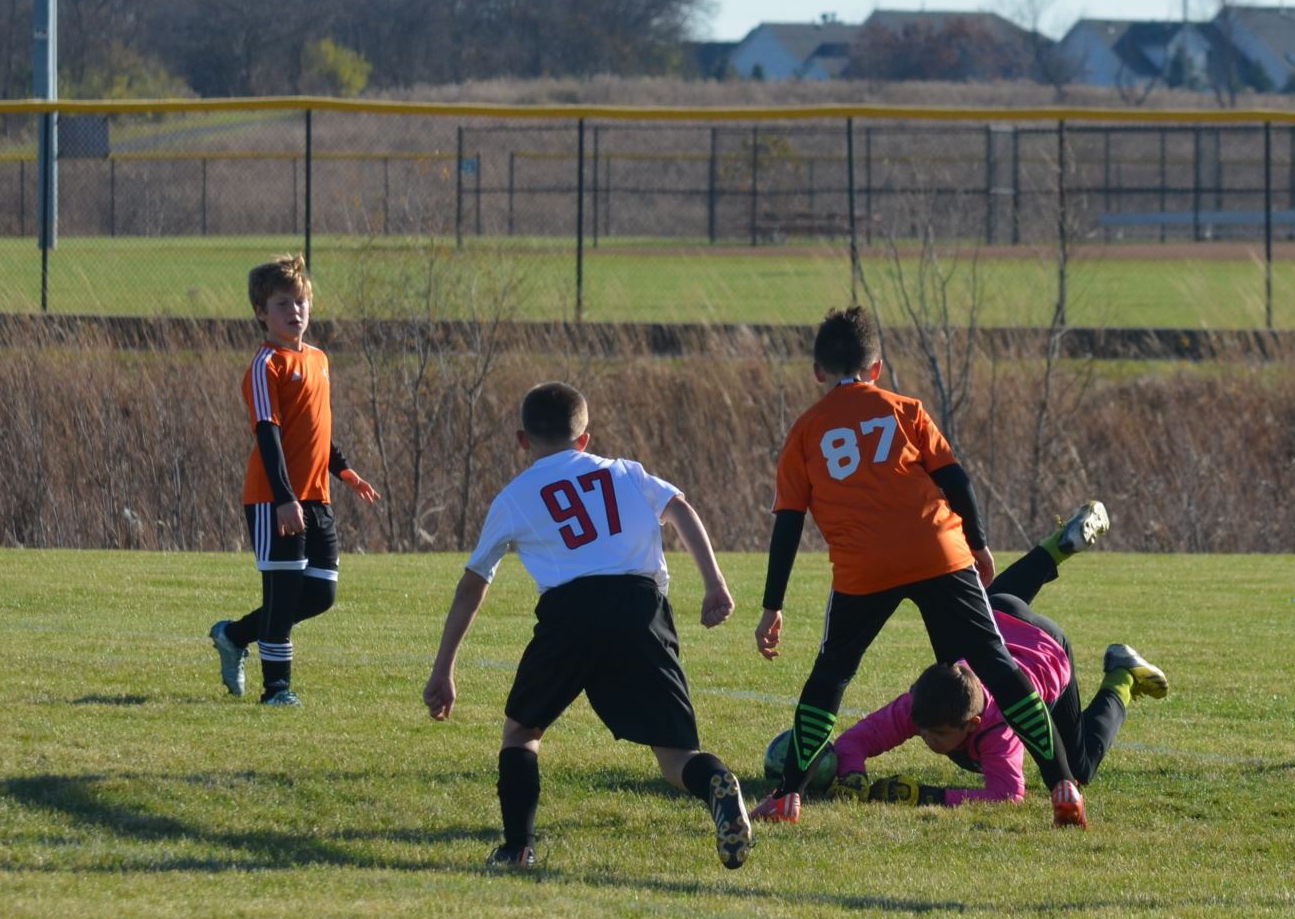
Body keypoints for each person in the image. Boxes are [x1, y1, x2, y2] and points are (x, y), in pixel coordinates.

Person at [751, 305, 1081, 827]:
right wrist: (979, 544)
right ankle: (1063, 785)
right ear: (876, 368)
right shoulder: (906, 409)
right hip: (937, 549)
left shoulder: (805, 432)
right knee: (996, 664)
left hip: (864, 567)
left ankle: (788, 795)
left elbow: (788, 525)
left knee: (831, 675)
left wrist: (773, 605)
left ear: (817, 372)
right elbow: (958, 482)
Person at [422, 381, 752, 872]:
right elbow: (680, 509)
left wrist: (443, 668)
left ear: (523, 440)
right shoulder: (625, 472)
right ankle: (716, 783)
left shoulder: (515, 496)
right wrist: (715, 584)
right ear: (585, 438)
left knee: (522, 733)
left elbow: (473, 585)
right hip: (641, 607)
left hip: (571, 612)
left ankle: (517, 849)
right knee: (677, 756)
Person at [824, 504, 1170, 808]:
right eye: (922, 729)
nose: (926, 738)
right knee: (985, 612)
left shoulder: (999, 729)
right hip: (1000, 614)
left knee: (1077, 770)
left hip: (1046, 646)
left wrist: (925, 795)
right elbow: (853, 742)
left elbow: (1007, 795)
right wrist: (853, 774)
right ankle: (1057, 545)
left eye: (938, 734)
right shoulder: (923, 704)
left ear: (973, 724)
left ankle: (1122, 675)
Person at [209, 254, 379, 708]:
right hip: (275, 500)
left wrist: (344, 471)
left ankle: (233, 635)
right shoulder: (266, 365)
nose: (295, 311)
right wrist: (285, 499)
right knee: (282, 598)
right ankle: (277, 690)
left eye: (300, 301)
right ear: (261, 313)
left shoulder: (319, 359)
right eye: (282, 303)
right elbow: (269, 434)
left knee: (321, 594)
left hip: (317, 498)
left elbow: (316, 429)